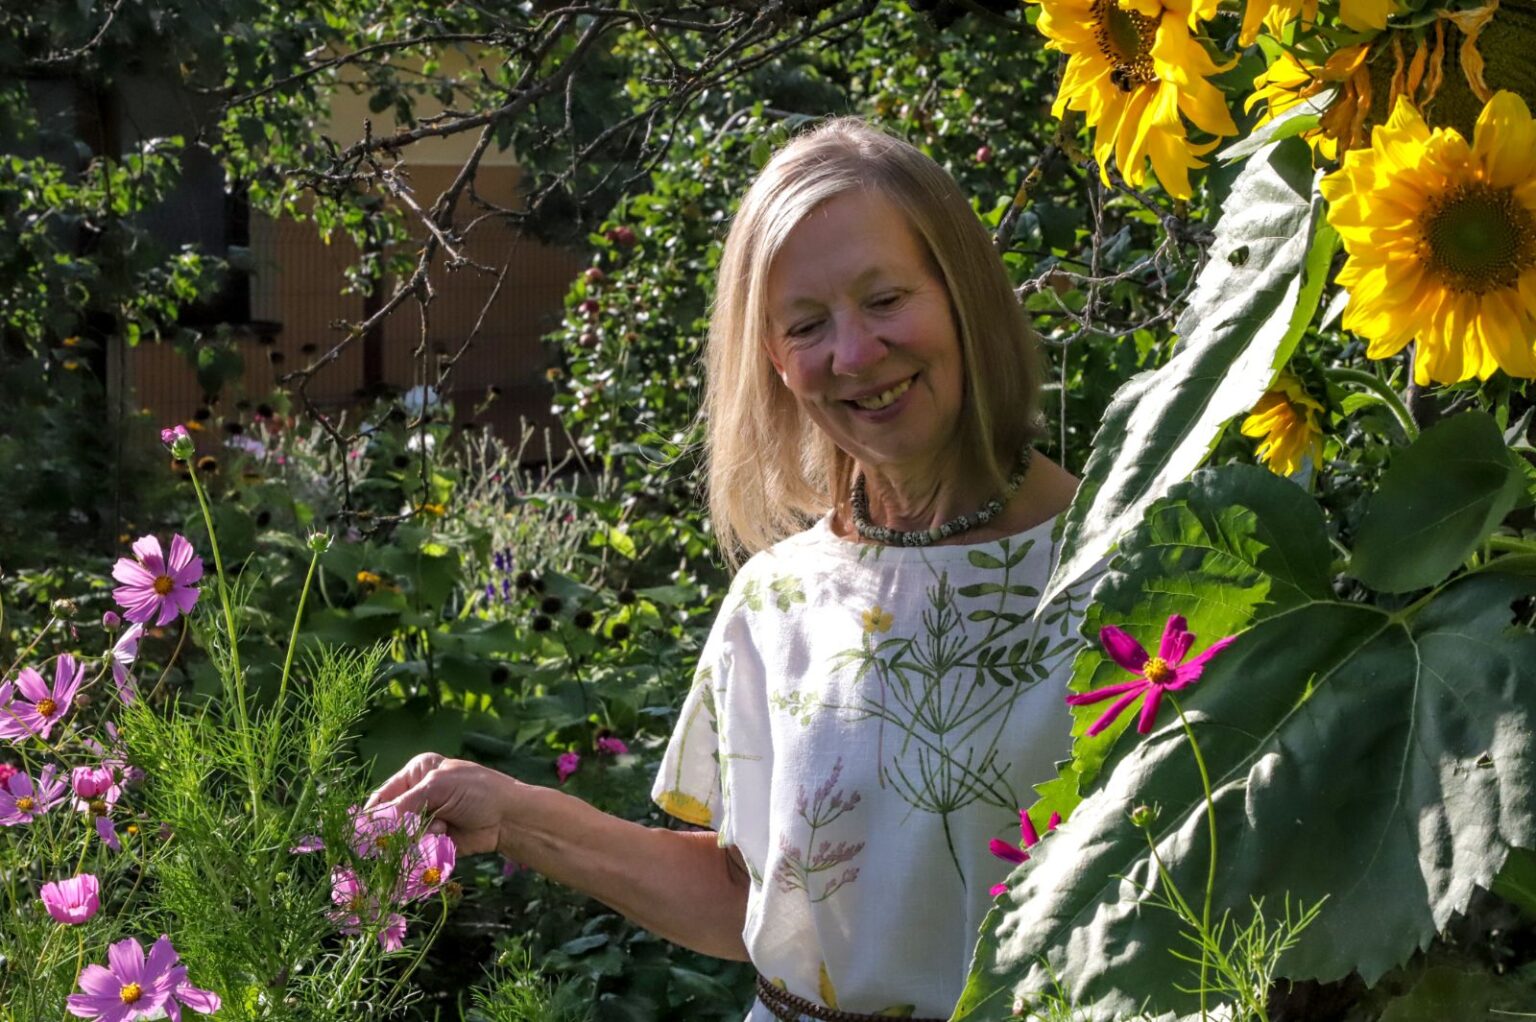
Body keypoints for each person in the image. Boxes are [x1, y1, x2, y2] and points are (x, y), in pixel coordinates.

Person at [366, 117, 1092, 1021]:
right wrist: (512, 814)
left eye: (885, 299)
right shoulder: (780, 596)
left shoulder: (1118, 571)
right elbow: (754, 898)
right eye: (806, 324)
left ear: (964, 295)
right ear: (776, 364)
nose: (855, 354)